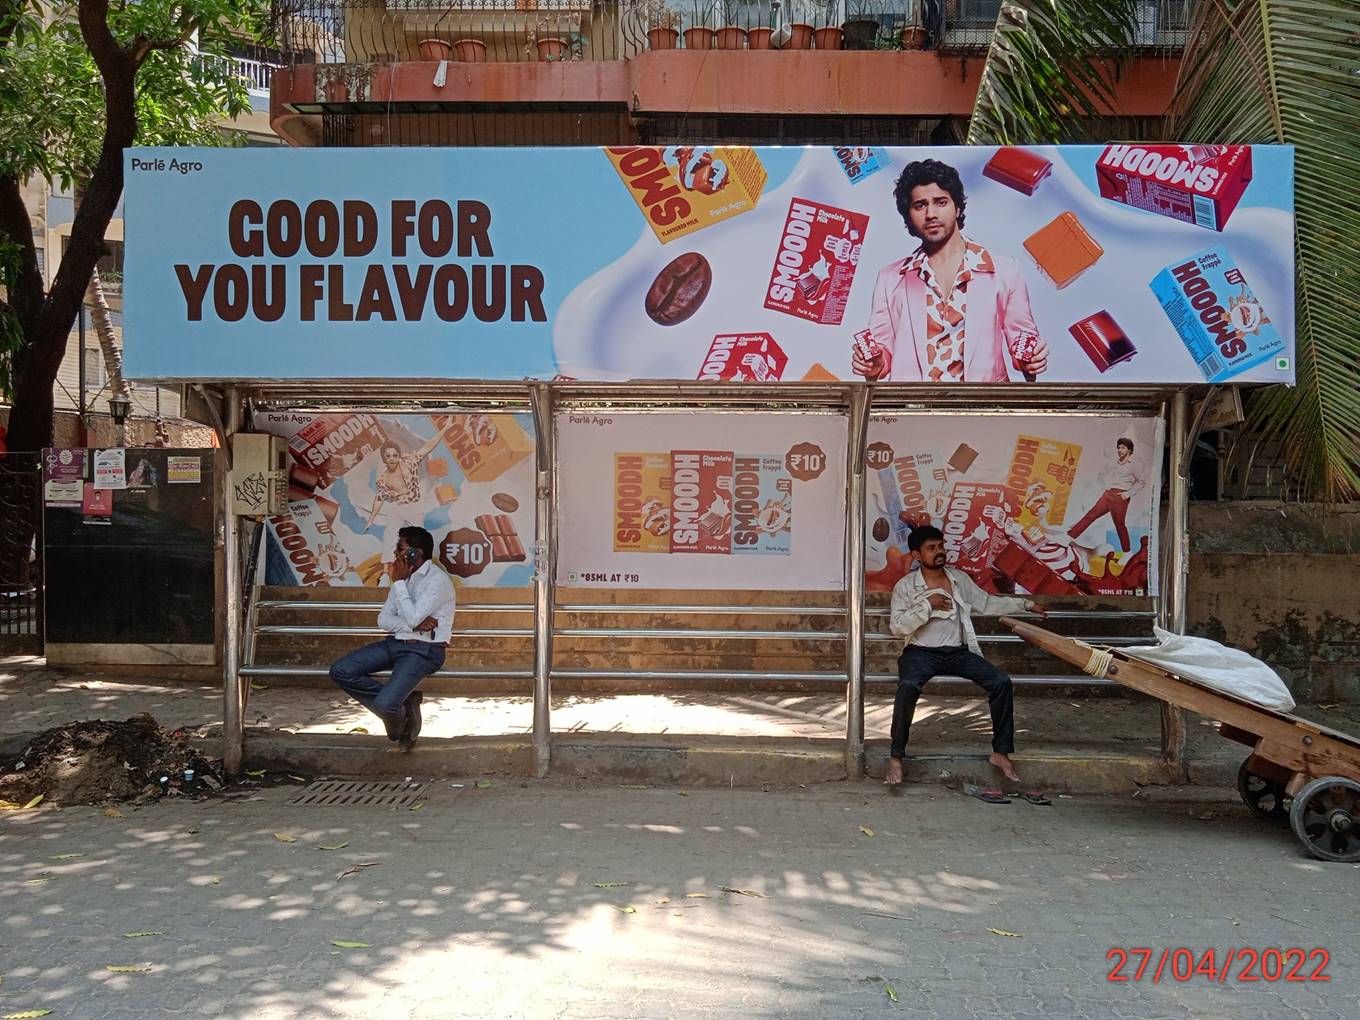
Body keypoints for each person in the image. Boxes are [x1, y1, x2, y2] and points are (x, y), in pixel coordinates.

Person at [853, 159, 1048, 383]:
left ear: (958, 208)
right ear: (909, 215)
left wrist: (1031, 359)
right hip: (913, 409)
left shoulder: (1004, 270)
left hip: (983, 408)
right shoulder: (890, 278)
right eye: (920, 205)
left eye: (941, 202)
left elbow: (1022, 338)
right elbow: (881, 352)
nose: (931, 214)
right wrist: (873, 364)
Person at [884, 525, 1045, 787]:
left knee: (1001, 682)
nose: (939, 552)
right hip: (920, 652)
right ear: (916, 555)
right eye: (931, 548)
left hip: (957, 652)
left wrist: (1026, 605)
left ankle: (1000, 752)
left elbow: (987, 603)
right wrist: (928, 605)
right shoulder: (905, 586)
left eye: (940, 546)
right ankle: (896, 756)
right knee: (908, 686)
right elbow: (898, 626)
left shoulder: (958, 579)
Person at [328, 526, 454, 751]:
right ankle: (405, 705)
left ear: (417, 553)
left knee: (386, 706)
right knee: (341, 670)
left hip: (424, 650)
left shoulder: (437, 580)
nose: (395, 554)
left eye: (400, 548)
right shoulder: (402, 580)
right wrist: (413, 623)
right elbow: (384, 619)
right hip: (395, 642)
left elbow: (414, 617)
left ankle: (397, 713)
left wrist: (400, 587)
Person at [1067, 437, 1143, 553]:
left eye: (1123, 448)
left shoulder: (1134, 465)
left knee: (1119, 525)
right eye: (1118, 447)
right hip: (1108, 494)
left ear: (1129, 450)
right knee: (1091, 515)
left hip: (1120, 497)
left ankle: (1127, 552)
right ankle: (1069, 536)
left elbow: (1141, 481)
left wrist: (1127, 494)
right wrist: (1105, 484)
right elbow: (1103, 474)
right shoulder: (1114, 463)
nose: (1119, 450)